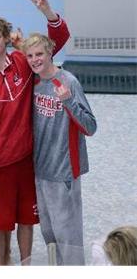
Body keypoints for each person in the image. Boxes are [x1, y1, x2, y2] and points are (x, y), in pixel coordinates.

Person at [0, 0, 70, 265]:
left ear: (6, 39)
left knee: (26, 219)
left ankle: (25, 265)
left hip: (26, 160)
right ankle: (1, 267)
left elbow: (55, 43)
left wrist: (47, 12)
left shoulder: (23, 62)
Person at [21, 32, 97, 265]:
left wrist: (68, 101)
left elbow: (90, 126)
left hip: (63, 170)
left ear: (50, 53)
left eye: (39, 54)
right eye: (30, 55)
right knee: (49, 231)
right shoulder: (32, 83)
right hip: (40, 170)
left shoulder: (68, 82)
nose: (35, 60)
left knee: (68, 234)